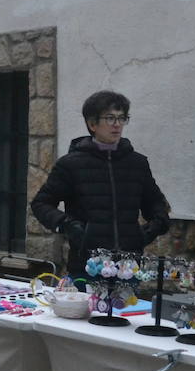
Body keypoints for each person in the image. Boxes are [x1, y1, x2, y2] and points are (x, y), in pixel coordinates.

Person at [30, 90, 171, 279]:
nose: (117, 125)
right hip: (87, 265)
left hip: (128, 268)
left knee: (126, 309)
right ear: (92, 124)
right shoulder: (71, 164)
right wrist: (68, 226)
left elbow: (156, 203)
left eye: (122, 118)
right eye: (110, 118)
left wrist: (151, 229)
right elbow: (41, 203)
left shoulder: (137, 163)